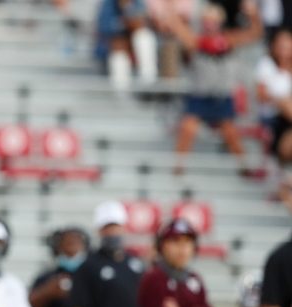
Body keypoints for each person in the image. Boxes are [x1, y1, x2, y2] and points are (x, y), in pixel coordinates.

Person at [164, 1, 263, 177]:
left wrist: (252, 13)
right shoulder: (196, 40)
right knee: (187, 128)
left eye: (213, 20)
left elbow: (255, 34)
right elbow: (177, 27)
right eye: (207, 20)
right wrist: (170, 8)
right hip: (200, 97)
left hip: (222, 97)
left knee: (231, 133)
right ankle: (177, 168)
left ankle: (245, 169)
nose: (210, 24)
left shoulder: (229, 39)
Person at [95, 0, 158, 90]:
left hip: (133, 46)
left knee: (144, 37)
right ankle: (122, 96)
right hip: (114, 49)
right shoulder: (108, 5)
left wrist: (129, 14)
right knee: (119, 55)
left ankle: (148, 83)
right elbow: (105, 31)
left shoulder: (138, 3)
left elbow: (142, 24)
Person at [257, 31, 292, 164]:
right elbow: (261, 94)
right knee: (286, 103)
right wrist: (280, 101)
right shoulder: (266, 65)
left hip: (288, 121)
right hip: (273, 116)